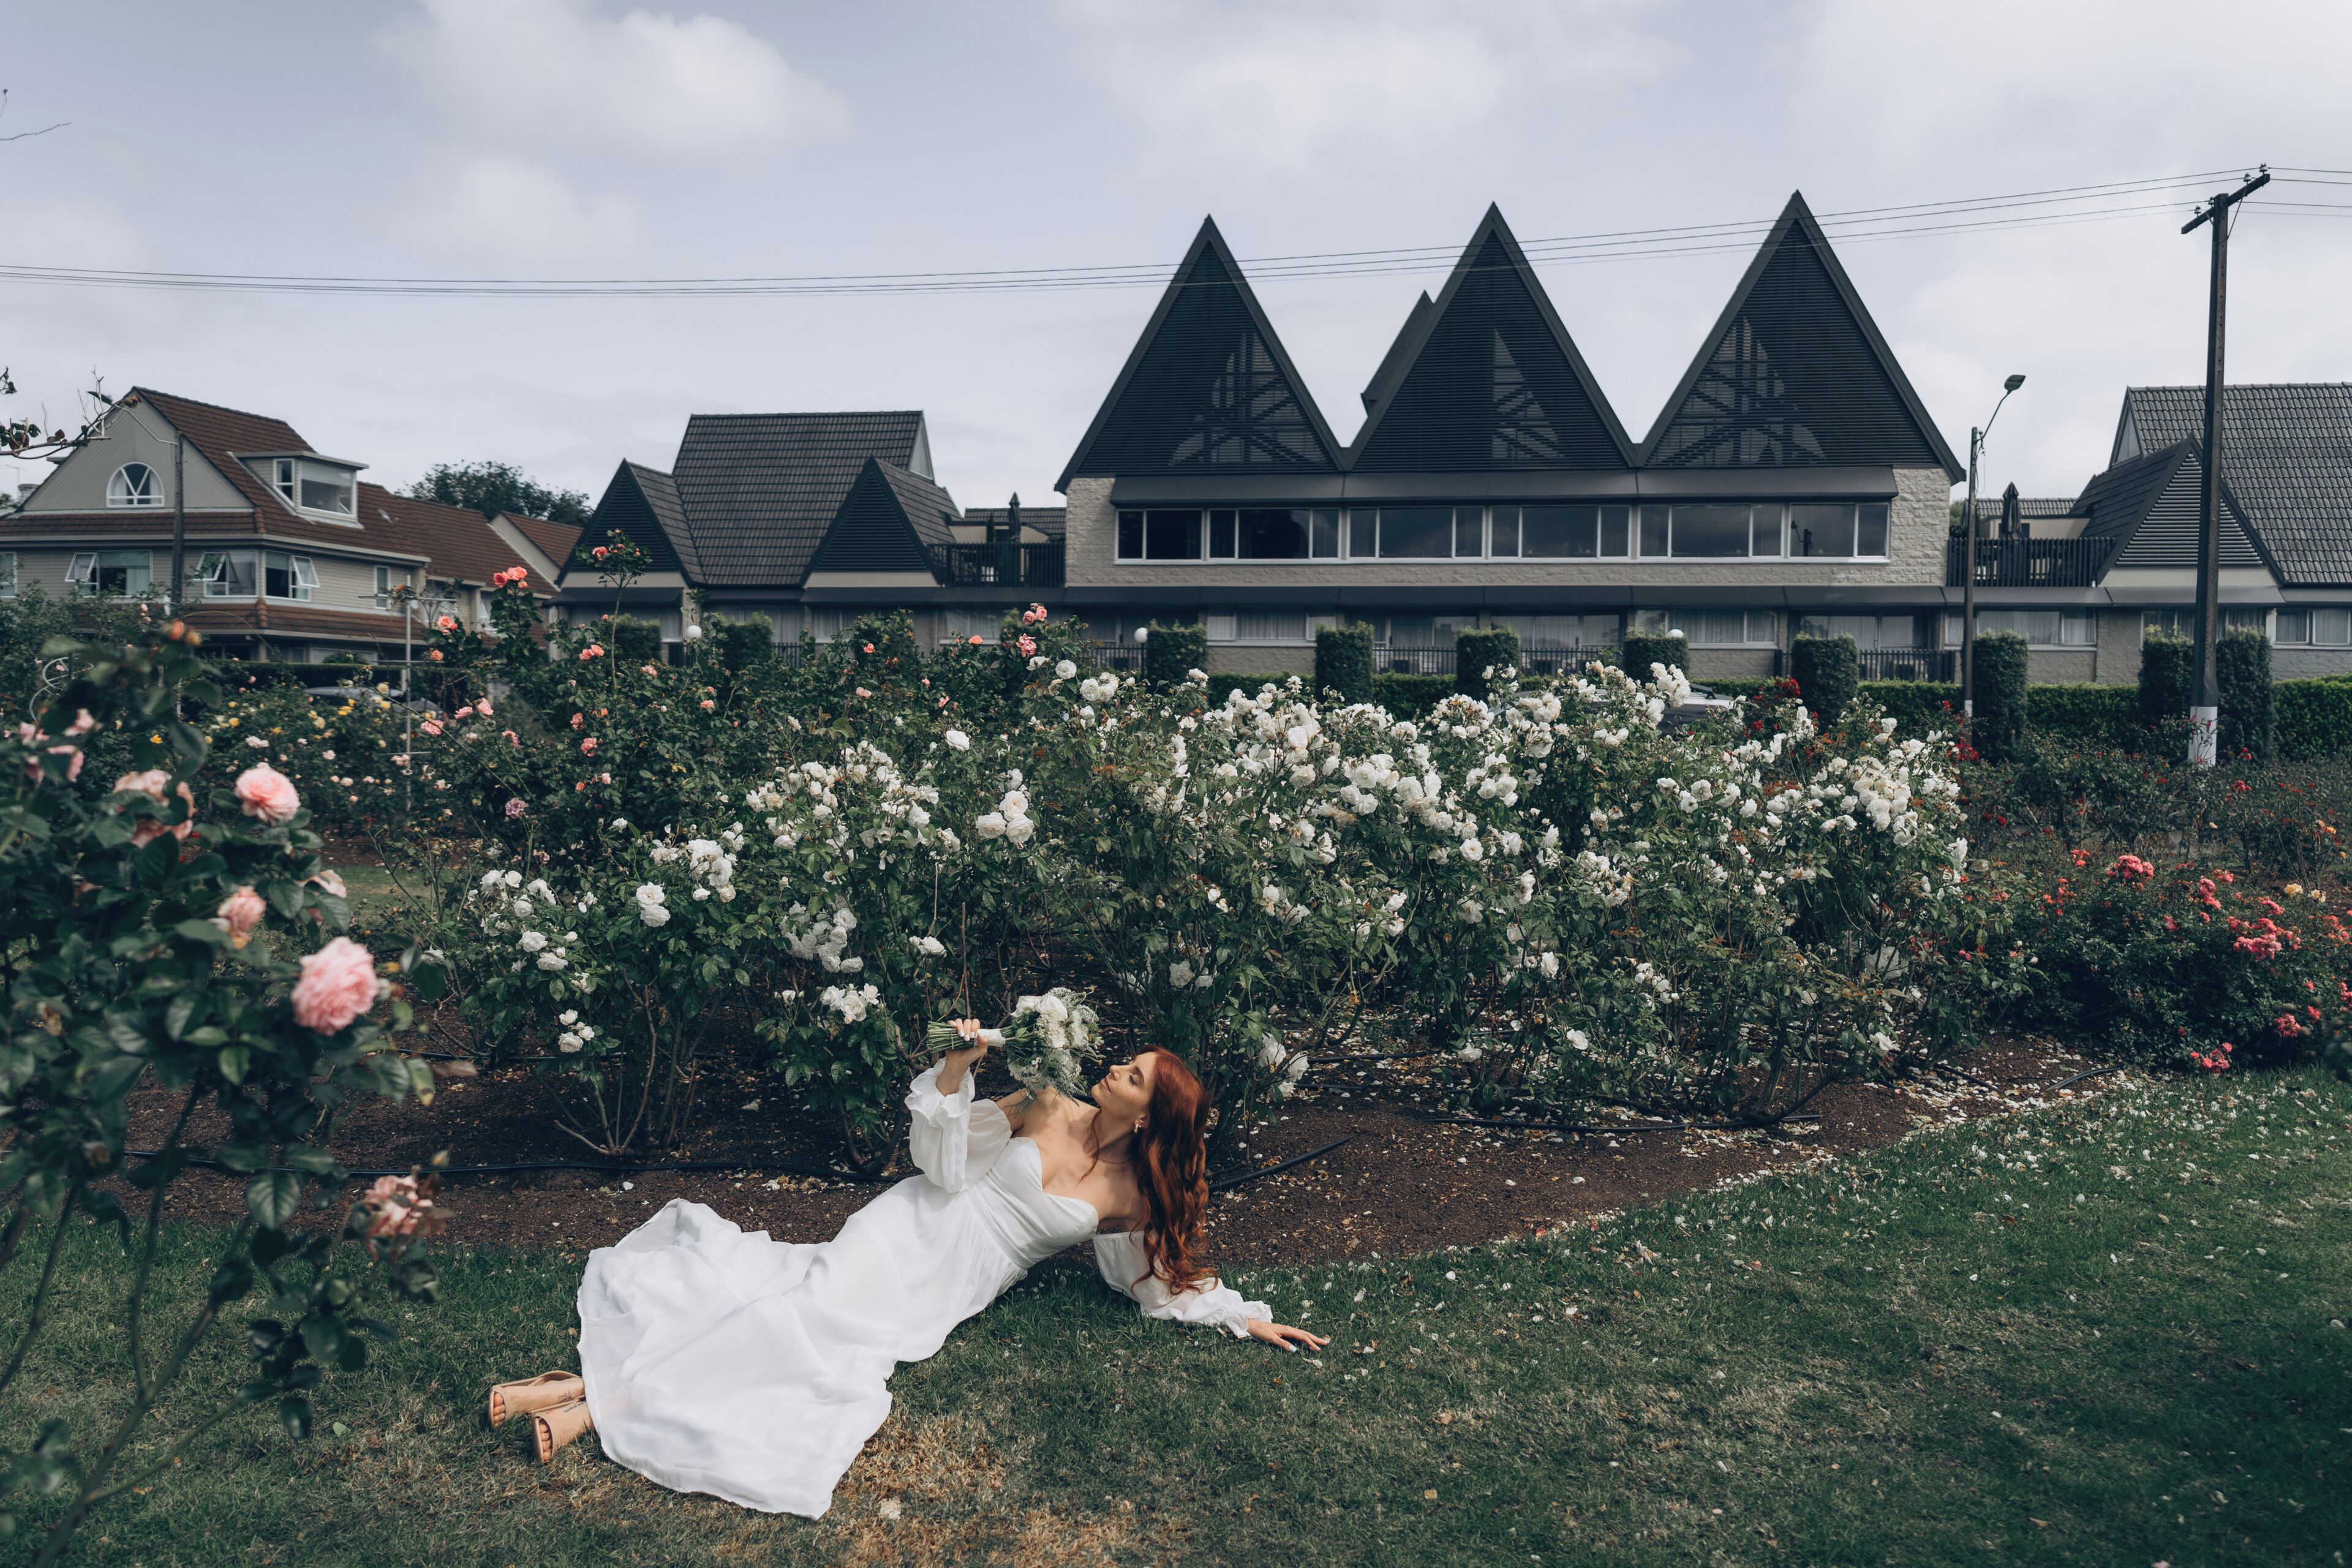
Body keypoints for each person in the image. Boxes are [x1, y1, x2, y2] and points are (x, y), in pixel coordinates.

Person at [484, 1022, 1325, 1517]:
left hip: (961, 1280)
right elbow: (942, 1160)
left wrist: (1237, 1314)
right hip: (913, 1222)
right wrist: (959, 1067)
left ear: (1150, 1115)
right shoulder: (1045, 1102)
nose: (1115, 1069)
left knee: (812, 1321)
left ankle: (580, 1387)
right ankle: (595, 1408)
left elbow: (1147, 1280)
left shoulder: (1132, 1196)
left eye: (1133, 1076)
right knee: (804, 1311)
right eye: (1125, 1062)